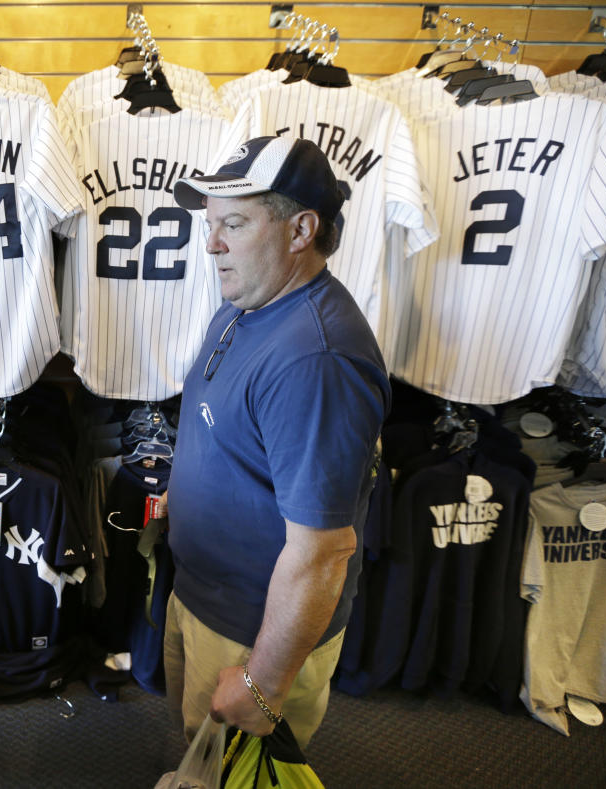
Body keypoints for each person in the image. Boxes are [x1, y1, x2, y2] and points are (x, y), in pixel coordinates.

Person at [163, 136, 390, 750]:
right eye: (211, 224)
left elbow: (324, 552)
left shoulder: (316, 359)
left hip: (250, 632)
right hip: (206, 600)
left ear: (300, 230)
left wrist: (264, 684)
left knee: (234, 773)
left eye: (232, 224)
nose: (212, 243)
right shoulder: (251, 302)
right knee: (198, 760)